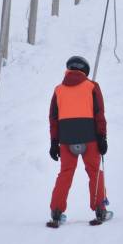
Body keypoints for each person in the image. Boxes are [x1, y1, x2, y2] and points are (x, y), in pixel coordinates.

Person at [47, 56, 109, 227]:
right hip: (90, 139)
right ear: (85, 70)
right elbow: (99, 115)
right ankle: (100, 209)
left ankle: (57, 212)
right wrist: (102, 137)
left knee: (65, 173)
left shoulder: (58, 90)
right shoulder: (92, 87)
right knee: (95, 172)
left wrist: (54, 142)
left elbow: (53, 118)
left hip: (67, 140)